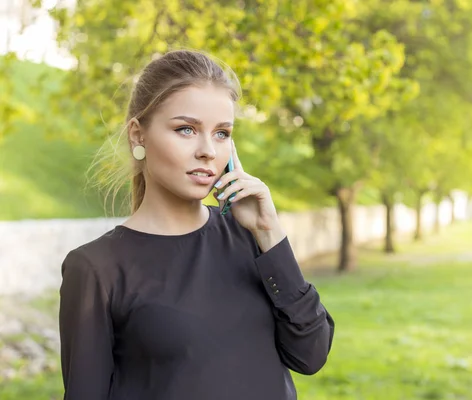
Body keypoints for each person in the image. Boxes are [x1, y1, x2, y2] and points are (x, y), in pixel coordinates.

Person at [58, 50, 335, 400]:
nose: (208, 151)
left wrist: (269, 233)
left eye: (222, 133)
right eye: (186, 129)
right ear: (138, 135)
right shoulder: (97, 268)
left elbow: (311, 355)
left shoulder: (252, 240)